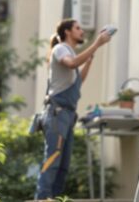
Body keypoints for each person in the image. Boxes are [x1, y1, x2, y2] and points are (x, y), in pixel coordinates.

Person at [35, 19, 111, 199]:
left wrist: (90, 58)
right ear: (67, 32)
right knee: (53, 161)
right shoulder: (61, 49)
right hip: (57, 114)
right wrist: (97, 43)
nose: (82, 31)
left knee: (63, 166)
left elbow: (78, 81)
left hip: (67, 115)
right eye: (78, 28)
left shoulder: (69, 52)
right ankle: (42, 198)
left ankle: (53, 198)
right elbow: (72, 63)